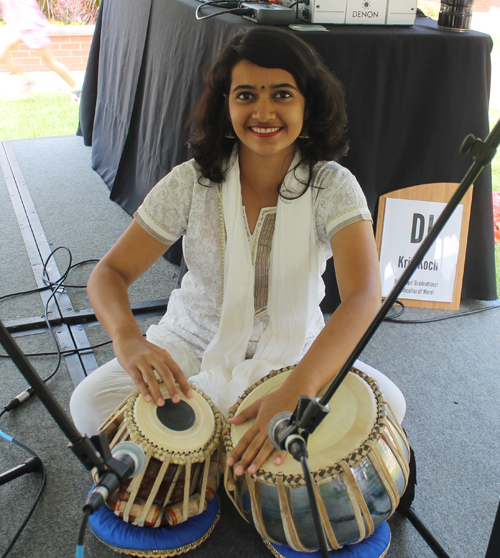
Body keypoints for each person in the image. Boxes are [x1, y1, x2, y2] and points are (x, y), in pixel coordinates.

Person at [70, 27, 406, 479]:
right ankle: (244, 453)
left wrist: (299, 386)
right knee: (90, 404)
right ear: (225, 104)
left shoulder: (333, 185)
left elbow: (364, 296)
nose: (263, 111)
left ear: (309, 103)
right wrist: (128, 339)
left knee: (391, 405)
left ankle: (204, 449)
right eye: (245, 95)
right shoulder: (191, 181)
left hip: (297, 351)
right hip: (190, 343)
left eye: (282, 95)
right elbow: (109, 273)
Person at [0, 0, 81, 100]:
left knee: (50, 62)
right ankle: (26, 81)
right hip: (20, 29)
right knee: (1, 54)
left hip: (32, 29)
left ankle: (77, 87)